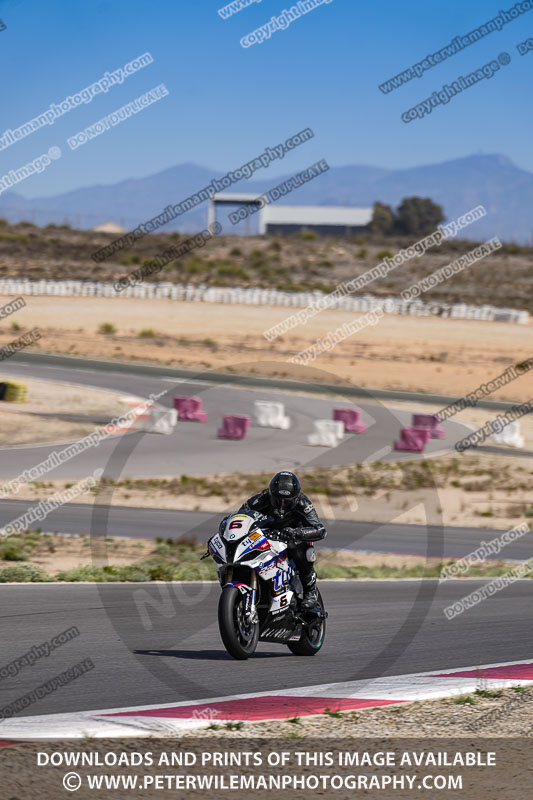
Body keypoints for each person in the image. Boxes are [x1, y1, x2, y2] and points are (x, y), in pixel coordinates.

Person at [238, 471, 327, 608]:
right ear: (271, 494)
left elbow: (320, 530)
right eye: (278, 500)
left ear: (296, 498)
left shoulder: (303, 503)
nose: (282, 505)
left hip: (293, 538)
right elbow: (241, 516)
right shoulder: (260, 500)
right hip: (266, 536)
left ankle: (310, 591)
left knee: (301, 551)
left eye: (287, 502)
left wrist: (296, 532)